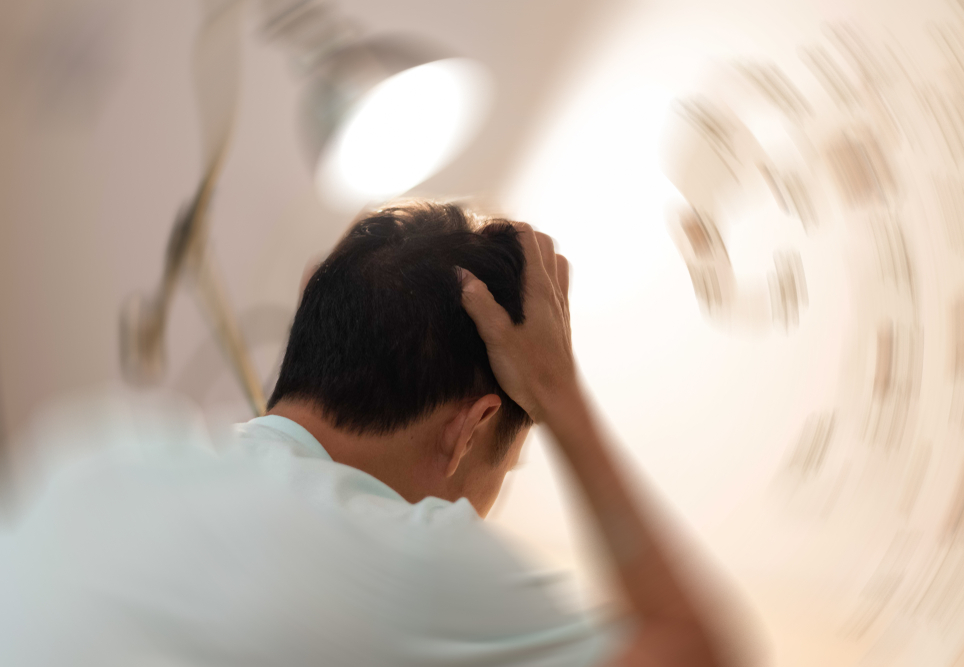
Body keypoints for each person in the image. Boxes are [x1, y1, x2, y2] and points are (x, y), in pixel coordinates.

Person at [0, 200, 727, 666]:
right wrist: (560, 395)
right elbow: (697, 651)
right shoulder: (417, 561)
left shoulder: (86, 452)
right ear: (471, 431)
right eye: (511, 464)